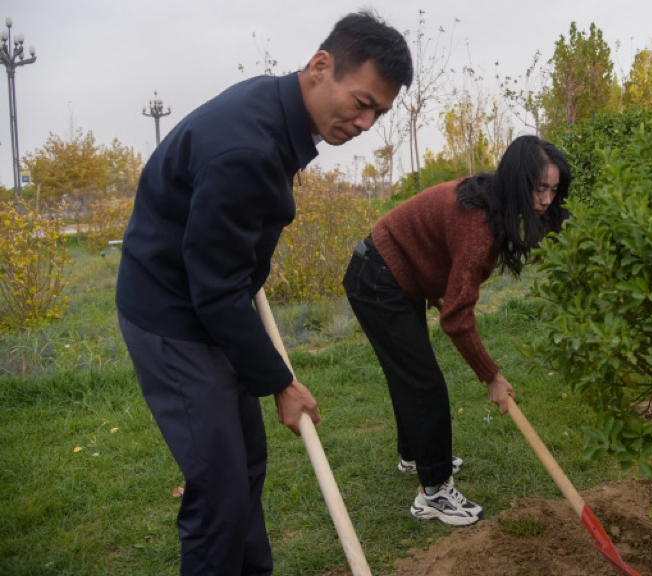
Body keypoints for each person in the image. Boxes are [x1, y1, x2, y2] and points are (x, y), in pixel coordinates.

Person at [115, 12, 412, 575]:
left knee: (245, 465)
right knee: (220, 490)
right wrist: (280, 384)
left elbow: (227, 265)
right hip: (172, 317)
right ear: (321, 66)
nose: (368, 122)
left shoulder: (273, 110)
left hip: (205, 299)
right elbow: (217, 292)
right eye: (362, 102)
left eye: (380, 111)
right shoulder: (246, 148)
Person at [343, 135, 572, 526]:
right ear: (517, 181)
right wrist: (491, 376)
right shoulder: (478, 227)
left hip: (389, 271)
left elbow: (436, 252)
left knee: (410, 373)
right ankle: (433, 493)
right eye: (539, 189)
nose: (547, 200)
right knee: (422, 381)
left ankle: (416, 455)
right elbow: (457, 318)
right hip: (378, 277)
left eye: (553, 189)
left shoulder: (486, 196)